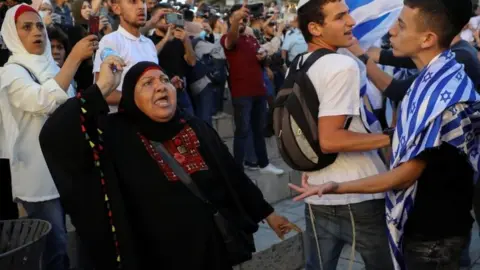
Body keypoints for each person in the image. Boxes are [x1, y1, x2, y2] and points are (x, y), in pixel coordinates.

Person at [39, 59, 300, 269]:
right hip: (157, 257)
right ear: (131, 96)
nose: (161, 86)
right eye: (148, 83)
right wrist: (101, 89)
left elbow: (232, 175)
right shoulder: (114, 134)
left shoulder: (195, 126)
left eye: (164, 80)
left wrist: (267, 213)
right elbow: (55, 135)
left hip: (213, 250)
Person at [289, 0, 480, 269]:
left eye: (400, 25)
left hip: (433, 235)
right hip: (432, 224)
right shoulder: (435, 77)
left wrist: (336, 187)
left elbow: (404, 175)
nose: (391, 31)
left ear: (427, 38)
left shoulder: (440, 96)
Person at [288, 0, 394, 269]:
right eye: (340, 17)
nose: (352, 22)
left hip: (315, 189)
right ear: (315, 28)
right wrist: (394, 137)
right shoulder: (340, 65)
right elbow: (330, 140)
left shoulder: (298, 62)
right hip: (359, 193)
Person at [0, 4, 97, 270]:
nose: (37, 32)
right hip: (38, 177)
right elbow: (42, 101)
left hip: (66, 169)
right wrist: (74, 59)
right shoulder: (11, 72)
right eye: (27, 27)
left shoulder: (51, 67)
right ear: (11, 33)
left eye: (39, 25)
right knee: (54, 248)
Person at [221, 4, 284, 175]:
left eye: (244, 19)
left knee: (258, 129)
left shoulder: (251, 38)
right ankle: (237, 168)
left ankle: (263, 163)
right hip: (241, 93)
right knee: (242, 131)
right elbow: (231, 40)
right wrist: (236, 19)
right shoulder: (228, 38)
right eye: (237, 19)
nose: (242, 22)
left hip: (259, 90)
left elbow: (260, 60)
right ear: (231, 20)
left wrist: (263, 58)